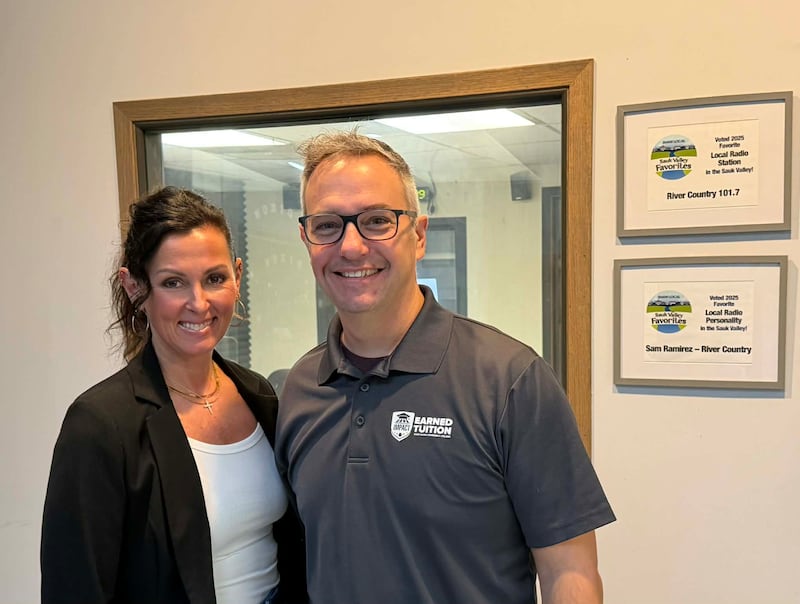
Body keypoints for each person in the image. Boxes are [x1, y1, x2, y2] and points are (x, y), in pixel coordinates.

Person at [275, 131, 615, 603]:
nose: (351, 247)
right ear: (307, 239)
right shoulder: (299, 389)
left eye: (377, 221)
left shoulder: (509, 380)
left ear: (417, 236)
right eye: (328, 225)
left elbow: (569, 574)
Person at [41, 186, 307, 604]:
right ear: (134, 287)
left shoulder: (260, 395)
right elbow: (75, 587)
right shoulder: (100, 424)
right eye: (173, 282)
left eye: (215, 278)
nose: (198, 303)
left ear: (238, 277)